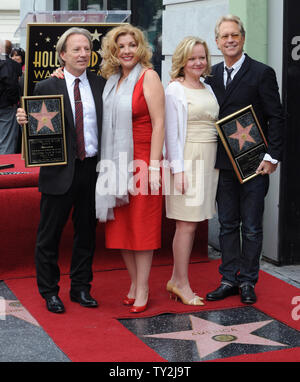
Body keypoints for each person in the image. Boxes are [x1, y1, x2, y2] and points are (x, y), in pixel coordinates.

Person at [16, 27, 106, 313]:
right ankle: (50, 291)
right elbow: (36, 129)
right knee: (49, 235)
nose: (83, 54)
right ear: (63, 55)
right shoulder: (46, 87)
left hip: (92, 169)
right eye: (77, 49)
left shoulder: (102, 83)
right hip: (58, 172)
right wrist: (24, 119)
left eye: (87, 49)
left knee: (86, 233)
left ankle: (81, 287)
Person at [205, 15, 284, 304]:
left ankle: (248, 280)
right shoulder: (210, 75)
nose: (230, 40)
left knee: (251, 226)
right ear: (217, 41)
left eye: (234, 35)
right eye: (224, 36)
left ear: (243, 37)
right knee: (227, 224)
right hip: (224, 165)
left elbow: (276, 117)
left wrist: (272, 156)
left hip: (254, 164)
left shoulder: (262, 73)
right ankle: (228, 278)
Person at [95, 24, 165, 313]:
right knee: (121, 227)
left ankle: (145, 287)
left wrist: (153, 166)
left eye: (131, 45)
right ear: (113, 50)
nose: (127, 51)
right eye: (121, 46)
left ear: (140, 48)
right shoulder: (112, 79)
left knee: (142, 226)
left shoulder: (148, 77)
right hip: (115, 162)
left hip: (141, 163)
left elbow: (160, 122)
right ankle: (134, 283)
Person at [164, 37, 219, 306]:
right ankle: (182, 284)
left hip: (208, 160)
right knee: (185, 225)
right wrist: (178, 170)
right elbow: (170, 134)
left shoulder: (208, 87)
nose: (198, 62)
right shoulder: (175, 89)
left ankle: (176, 280)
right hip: (186, 159)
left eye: (202, 57)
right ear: (182, 62)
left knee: (194, 223)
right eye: (192, 58)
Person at [0, 39, 22, 154]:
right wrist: (13, 101)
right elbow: (12, 85)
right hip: (7, 106)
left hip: (5, 104)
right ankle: (5, 168)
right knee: (6, 140)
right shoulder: (13, 65)